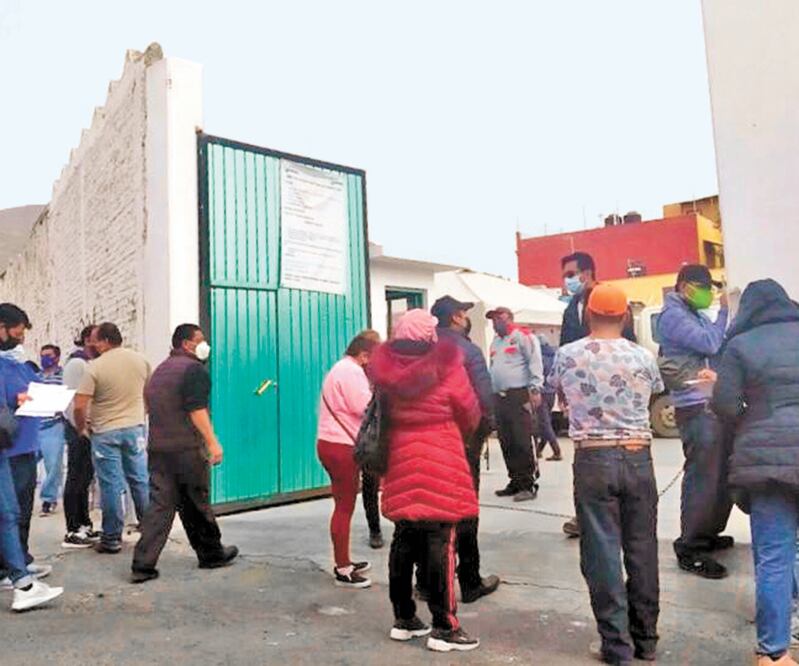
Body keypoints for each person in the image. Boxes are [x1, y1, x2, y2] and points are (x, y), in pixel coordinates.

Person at [550, 284, 662, 666]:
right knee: (642, 549)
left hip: (593, 460)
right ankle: (646, 639)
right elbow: (651, 395)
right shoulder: (644, 357)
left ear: (587, 314)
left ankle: (617, 647)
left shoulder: (567, 355)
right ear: (626, 316)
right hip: (638, 457)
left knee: (601, 553)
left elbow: (559, 397)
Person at [370, 309, 481, 652]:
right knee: (441, 543)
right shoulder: (447, 367)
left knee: (403, 538)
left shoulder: (386, 373)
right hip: (441, 456)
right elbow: (468, 412)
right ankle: (444, 626)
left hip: (400, 457)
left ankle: (404, 618)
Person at [712, 279, 799, 666]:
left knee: (775, 557)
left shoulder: (740, 346)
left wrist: (755, 418)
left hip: (767, 467)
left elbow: (725, 405)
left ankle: (775, 653)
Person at [131, 324, 238, 582]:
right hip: (186, 449)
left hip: (159, 448)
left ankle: (143, 564)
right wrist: (212, 443)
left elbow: (148, 405)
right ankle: (212, 554)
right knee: (197, 501)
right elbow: (196, 410)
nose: (205, 345)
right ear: (186, 344)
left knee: (161, 505)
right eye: (200, 340)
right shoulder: (193, 370)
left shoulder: (160, 371)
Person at [657, 264, 733, 579]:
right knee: (703, 477)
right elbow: (711, 343)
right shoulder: (673, 315)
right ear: (686, 286)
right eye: (704, 287)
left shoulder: (692, 314)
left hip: (709, 402)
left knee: (719, 476)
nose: (710, 294)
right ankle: (691, 546)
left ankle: (708, 533)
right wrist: (725, 312)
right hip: (694, 406)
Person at [559, 251, 636, 538]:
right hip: (583, 390)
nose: (567, 280)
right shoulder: (572, 307)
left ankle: (619, 512)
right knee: (584, 450)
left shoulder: (611, 299)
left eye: (571, 274)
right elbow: (566, 346)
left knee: (619, 447)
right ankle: (585, 514)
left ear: (587, 273)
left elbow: (628, 342)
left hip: (613, 386)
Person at [431, 295, 499, 603]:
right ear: (456, 318)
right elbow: (483, 396)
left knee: (430, 510)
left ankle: (426, 580)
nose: (465, 318)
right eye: (463, 313)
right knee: (465, 507)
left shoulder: (421, 349)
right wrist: (487, 427)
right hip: (462, 439)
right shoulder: (468, 350)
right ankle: (470, 580)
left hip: (426, 439)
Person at [0, 302, 63, 611]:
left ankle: (18, 572)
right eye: (17, 330)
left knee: (11, 514)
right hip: (6, 449)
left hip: (18, 446)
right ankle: (22, 584)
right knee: (8, 514)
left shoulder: (17, 365)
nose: (21, 337)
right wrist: (17, 402)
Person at [73, 322, 151, 554]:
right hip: (135, 429)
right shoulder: (141, 360)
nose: (93, 345)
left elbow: (79, 406)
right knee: (140, 479)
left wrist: (81, 428)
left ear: (106, 341)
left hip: (105, 432)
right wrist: (141, 413)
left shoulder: (95, 367)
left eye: (96, 340)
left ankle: (111, 538)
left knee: (111, 485)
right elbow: (149, 392)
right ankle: (151, 530)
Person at [316, 329, 381, 589]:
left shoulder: (339, 368)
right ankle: (343, 568)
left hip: (331, 443)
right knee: (344, 507)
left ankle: (345, 560)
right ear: (364, 355)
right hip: (341, 446)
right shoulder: (352, 372)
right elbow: (365, 407)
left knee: (343, 505)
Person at [486, 306, 543, 502]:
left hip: (519, 394)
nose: (495, 322)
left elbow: (534, 362)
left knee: (522, 440)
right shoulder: (495, 341)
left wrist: (535, 388)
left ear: (509, 318)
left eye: (499, 318)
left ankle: (528, 484)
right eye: (492, 320)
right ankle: (515, 480)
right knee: (506, 441)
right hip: (499, 397)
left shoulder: (522, 336)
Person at [61, 325, 101, 548]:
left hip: (86, 428)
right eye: (97, 339)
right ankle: (72, 528)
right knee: (76, 477)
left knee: (85, 477)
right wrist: (81, 427)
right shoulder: (77, 364)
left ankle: (84, 524)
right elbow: (75, 402)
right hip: (78, 428)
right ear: (87, 339)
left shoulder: (88, 364)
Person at [38, 344, 65, 516]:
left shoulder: (63, 376)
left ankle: (48, 499)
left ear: (57, 357)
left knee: (53, 465)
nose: (44, 359)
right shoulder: (35, 377)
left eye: (48, 355)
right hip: (35, 425)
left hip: (53, 425)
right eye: (42, 355)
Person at [535, 335, 562, 461]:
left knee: (544, 423)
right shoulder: (554, 356)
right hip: (552, 392)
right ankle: (539, 450)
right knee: (546, 422)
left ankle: (556, 451)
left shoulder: (539, 358)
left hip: (542, 392)